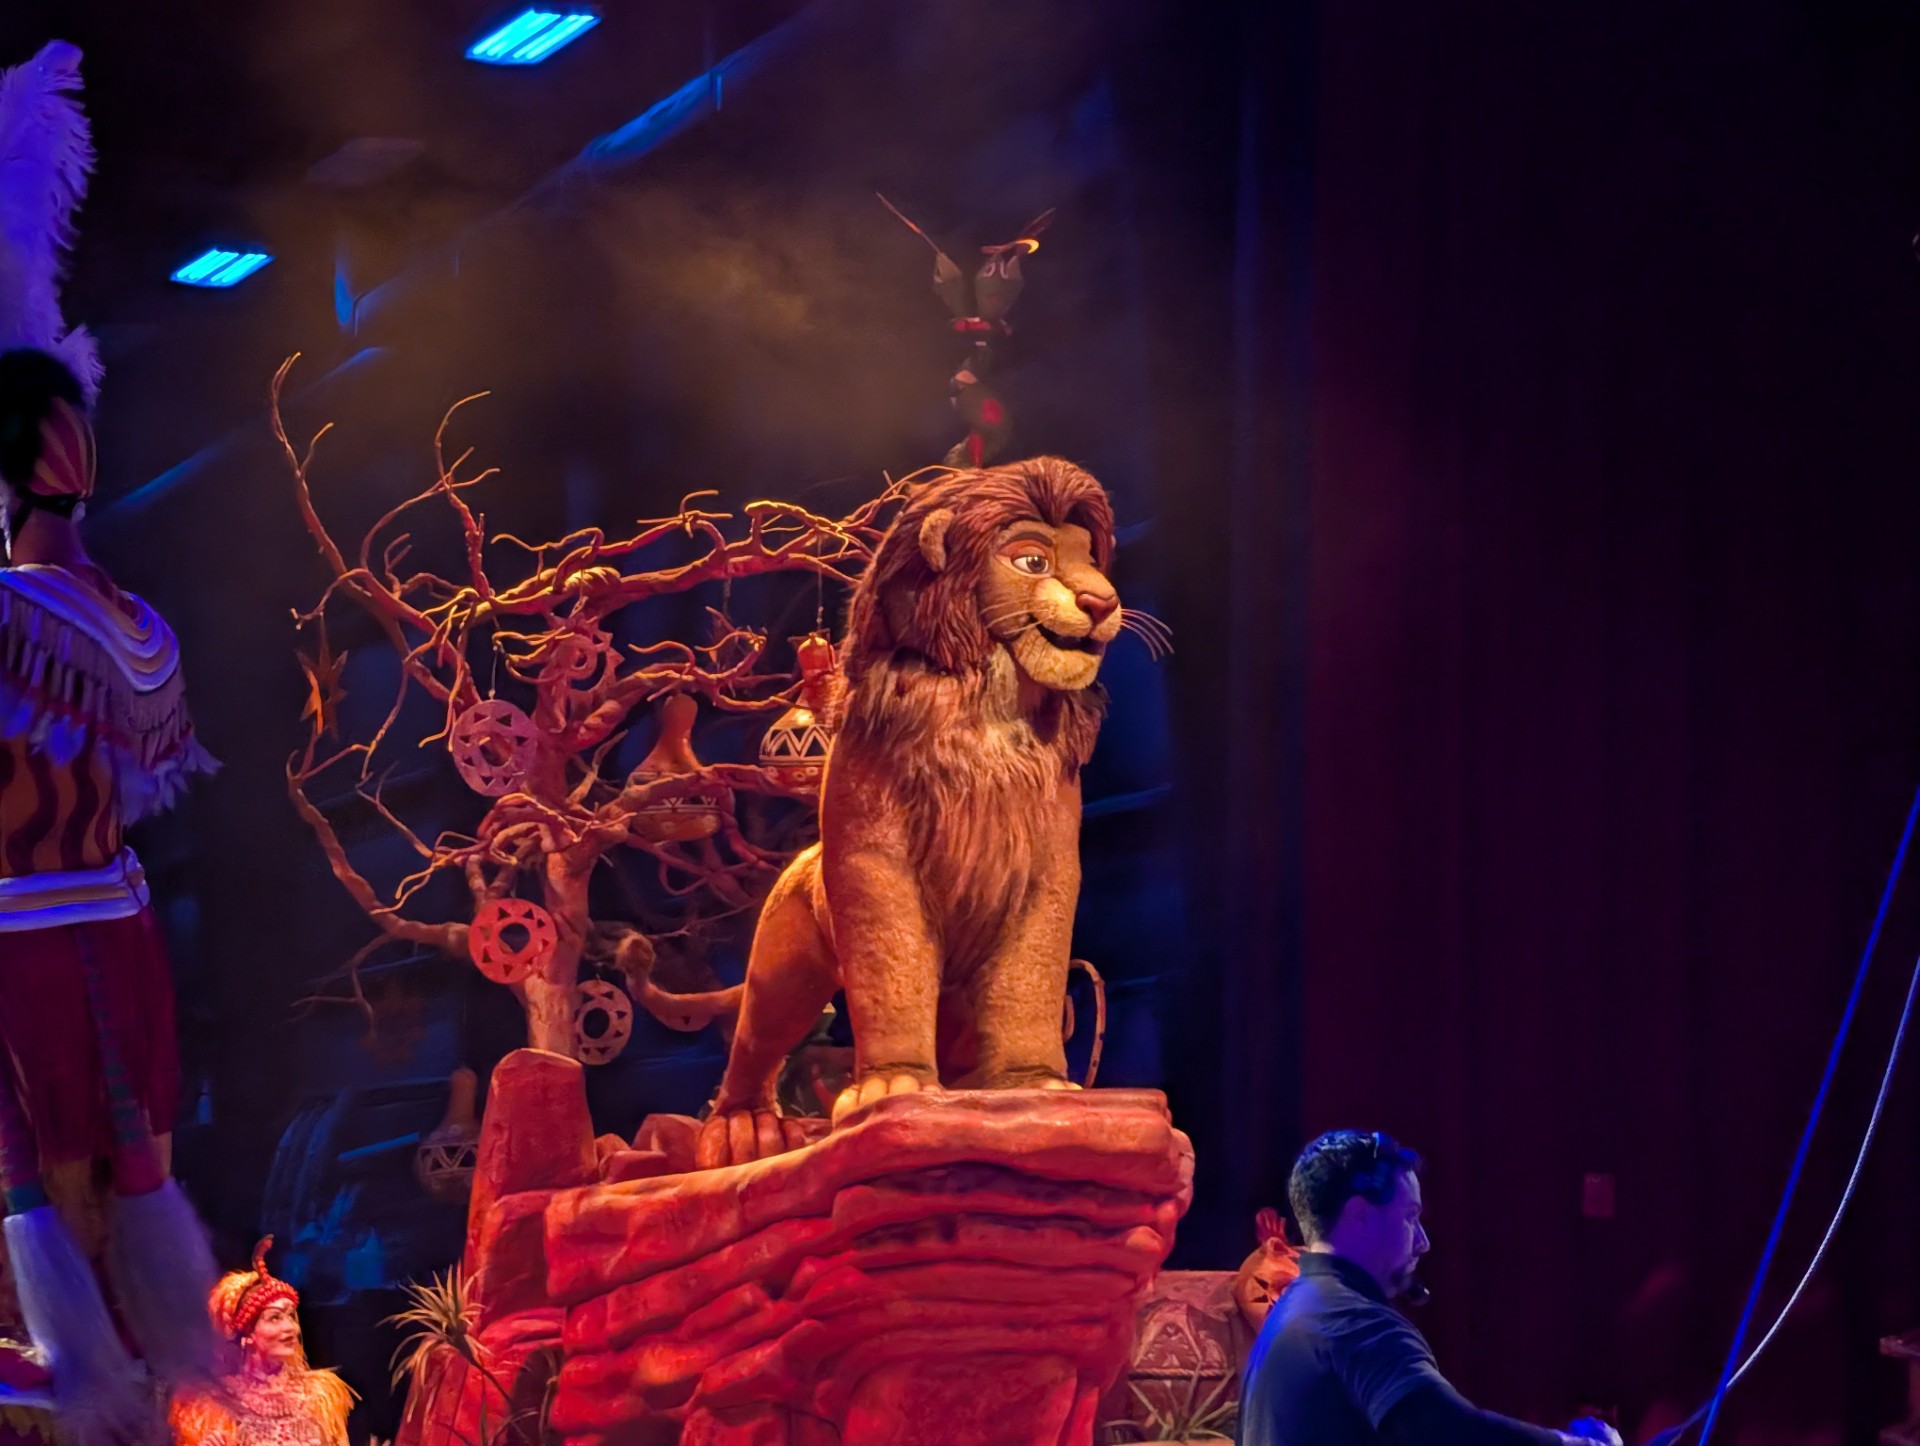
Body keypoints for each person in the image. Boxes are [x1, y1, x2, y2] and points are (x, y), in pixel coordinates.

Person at [0, 38, 221, 1443]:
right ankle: (136, 1369)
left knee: (36, 1181)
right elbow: (140, 781)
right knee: (126, 1176)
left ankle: (78, 1379)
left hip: (19, 940)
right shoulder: (134, 620)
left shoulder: (11, 617)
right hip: (118, 929)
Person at [1238, 1130, 1623, 1446]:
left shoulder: (1296, 1309)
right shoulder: (1353, 1321)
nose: (1423, 1242)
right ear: (1361, 1218)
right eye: (1409, 1217)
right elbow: (1447, 1432)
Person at [169, 1239, 354, 1446]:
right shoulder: (212, 1404)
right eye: (275, 1318)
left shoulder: (319, 1395)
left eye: (291, 1316)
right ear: (247, 1333)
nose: (290, 1328)